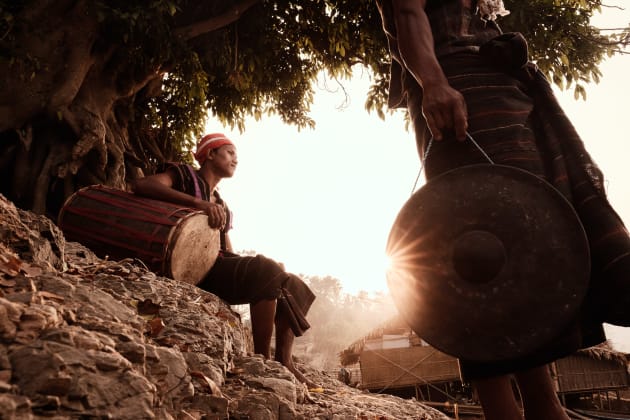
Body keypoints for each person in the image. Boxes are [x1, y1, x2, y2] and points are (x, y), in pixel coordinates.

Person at [375, 1, 630, 419]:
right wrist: (435, 83)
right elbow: (407, 10)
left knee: (523, 243)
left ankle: (544, 405)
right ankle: (503, 410)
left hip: (499, 86)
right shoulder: (443, 79)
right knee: (473, 249)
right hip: (460, 87)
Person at [131, 133, 317, 388]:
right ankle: (261, 359)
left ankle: (284, 360)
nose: (235, 159)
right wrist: (198, 204)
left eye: (236, 155)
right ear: (210, 154)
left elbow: (225, 250)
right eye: (229, 152)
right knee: (269, 269)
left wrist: (267, 273)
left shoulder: (221, 204)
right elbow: (143, 186)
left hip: (215, 267)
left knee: (288, 280)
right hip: (183, 265)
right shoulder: (184, 176)